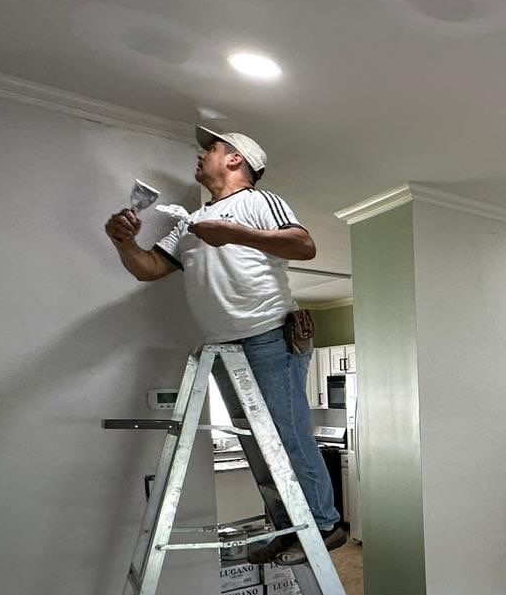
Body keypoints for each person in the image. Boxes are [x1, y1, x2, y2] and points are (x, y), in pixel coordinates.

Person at [104, 126, 345, 564]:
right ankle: (287, 526)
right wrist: (123, 241)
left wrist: (234, 233)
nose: (200, 155)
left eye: (210, 148)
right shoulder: (191, 223)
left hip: (269, 333)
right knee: (257, 443)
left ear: (237, 160)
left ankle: (324, 525)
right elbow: (149, 268)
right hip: (224, 347)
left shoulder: (256, 201)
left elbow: (304, 244)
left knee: (286, 435)